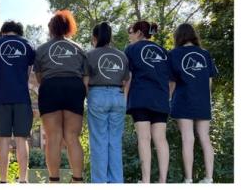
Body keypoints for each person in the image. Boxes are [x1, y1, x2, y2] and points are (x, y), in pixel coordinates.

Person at [34, 10, 87, 183]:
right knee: (72, 136)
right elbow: (85, 75)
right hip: (74, 87)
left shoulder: (41, 50)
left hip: (50, 87)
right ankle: (78, 180)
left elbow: (39, 76)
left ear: (51, 29)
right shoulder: (79, 49)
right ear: (68, 27)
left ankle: (54, 181)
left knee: (53, 137)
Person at [0, 20, 35, 183]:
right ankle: (23, 180)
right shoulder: (28, 45)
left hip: (2, 99)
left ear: (3, 32)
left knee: (3, 140)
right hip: (22, 98)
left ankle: (3, 181)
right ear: (19, 32)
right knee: (22, 139)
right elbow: (28, 72)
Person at [169, 23, 218, 183]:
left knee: (187, 139)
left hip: (183, 100)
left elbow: (172, 82)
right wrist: (205, 98)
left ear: (179, 36)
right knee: (205, 138)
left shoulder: (174, 54)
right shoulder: (205, 54)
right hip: (203, 101)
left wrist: (168, 98)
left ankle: (188, 179)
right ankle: (209, 178)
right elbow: (209, 82)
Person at [125, 21, 171, 183]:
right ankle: (162, 181)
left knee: (144, 138)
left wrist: (124, 99)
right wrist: (167, 97)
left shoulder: (131, 49)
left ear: (138, 33)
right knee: (160, 139)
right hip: (161, 100)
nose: (129, 35)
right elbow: (171, 80)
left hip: (140, 98)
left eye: (130, 31)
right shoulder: (164, 52)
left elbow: (128, 77)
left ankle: (146, 181)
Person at [84, 22, 130, 183]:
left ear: (94, 38)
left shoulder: (89, 55)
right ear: (110, 37)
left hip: (97, 95)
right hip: (118, 96)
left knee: (98, 142)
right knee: (114, 142)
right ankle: (117, 182)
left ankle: (99, 182)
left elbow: (85, 80)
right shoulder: (122, 55)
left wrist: (88, 97)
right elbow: (127, 80)